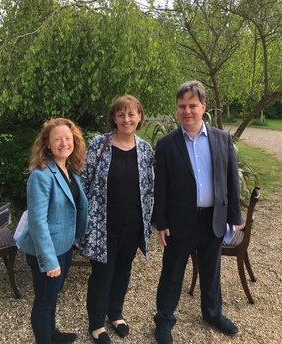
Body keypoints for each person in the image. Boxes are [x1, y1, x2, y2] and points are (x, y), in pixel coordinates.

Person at [153, 81, 243, 344]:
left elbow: (231, 181)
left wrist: (234, 218)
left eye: (193, 105)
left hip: (213, 220)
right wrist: (161, 222)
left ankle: (212, 314)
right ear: (177, 109)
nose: (187, 111)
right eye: (182, 106)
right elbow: (161, 188)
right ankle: (164, 321)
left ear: (203, 107)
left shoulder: (222, 139)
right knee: (171, 273)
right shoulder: (167, 144)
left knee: (211, 271)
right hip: (180, 222)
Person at [80, 95, 154, 344]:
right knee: (102, 273)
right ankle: (96, 323)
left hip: (133, 224)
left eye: (132, 114)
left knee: (123, 270)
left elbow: (149, 188)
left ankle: (116, 313)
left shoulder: (144, 149)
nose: (126, 119)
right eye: (121, 114)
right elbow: (83, 182)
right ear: (113, 118)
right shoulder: (100, 144)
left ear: (140, 117)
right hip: (103, 224)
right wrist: (81, 223)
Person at [18, 118, 88, 344]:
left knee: (52, 295)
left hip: (65, 245)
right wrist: (48, 260)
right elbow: (37, 222)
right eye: (57, 139)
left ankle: (51, 333)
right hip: (48, 250)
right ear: (47, 143)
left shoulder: (68, 169)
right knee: (43, 302)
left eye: (68, 138)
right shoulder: (41, 175)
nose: (64, 143)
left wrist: (76, 237)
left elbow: (72, 209)